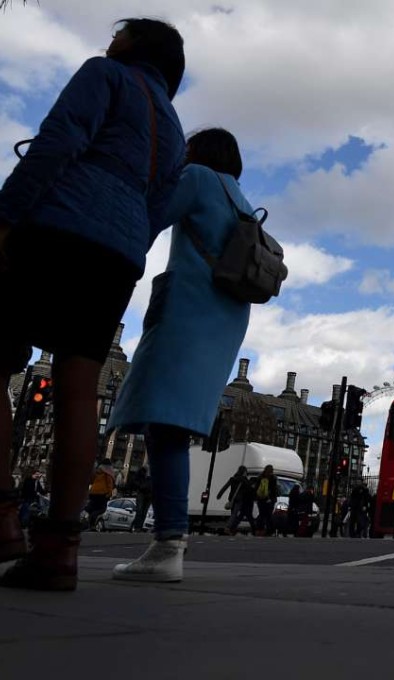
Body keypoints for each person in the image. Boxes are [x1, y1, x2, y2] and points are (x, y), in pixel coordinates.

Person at [0, 18, 186, 591]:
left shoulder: (104, 76)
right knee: (80, 392)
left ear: (132, 47)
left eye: (117, 35)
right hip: (119, 255)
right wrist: (127, 242)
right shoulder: (175, 130)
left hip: (58, 229)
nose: (108, 43)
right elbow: (161, 207)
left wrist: (7, 215)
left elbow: (59, 141)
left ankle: (4, 517)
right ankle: (59, 549)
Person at [106, 128, 255, 582]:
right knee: (170, 424)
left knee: (163, 425)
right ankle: (169, 541)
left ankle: (168, 543)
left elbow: (149, 215)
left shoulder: (195, 178)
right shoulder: (243, 201)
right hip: (225, 320)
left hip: (187, 310)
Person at [219, 465, 255, 535]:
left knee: (233, 513)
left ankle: (231, 528)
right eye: (245, 472)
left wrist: (219, 495)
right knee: (235, 514)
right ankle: (228, 528)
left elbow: (225, 487)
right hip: (239, 499)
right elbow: (249, 488)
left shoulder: (233, 478)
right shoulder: (243, 480)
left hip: (232, 498)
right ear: (244, 472)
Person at [85, 459, 117, 531]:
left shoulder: (97, 471)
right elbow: (109, 484)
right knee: (101, 509)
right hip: (102, 493)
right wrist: (109, 494)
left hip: (93, 492)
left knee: (93, 507)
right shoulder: (108, 473)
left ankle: (89, 522)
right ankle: (91, 523)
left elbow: (91, 480)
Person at [253, 465, 279, 536]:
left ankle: (259, 530)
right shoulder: (273, 478)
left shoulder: (260, 477)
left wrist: (256, 497)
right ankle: (270, 530)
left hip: (261, 499)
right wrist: (272, 498)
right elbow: (274, 490)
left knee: (262, 515)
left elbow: (256, 488)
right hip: (270, 500)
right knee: (268, 516)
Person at [130, 466, 153, 533]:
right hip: (141, 493)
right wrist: (140, 486)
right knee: (139, 510)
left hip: (150, 494)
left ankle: (139, 527)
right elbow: (134, 479)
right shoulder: (142, 470)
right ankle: (137, 527)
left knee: (144, 512)